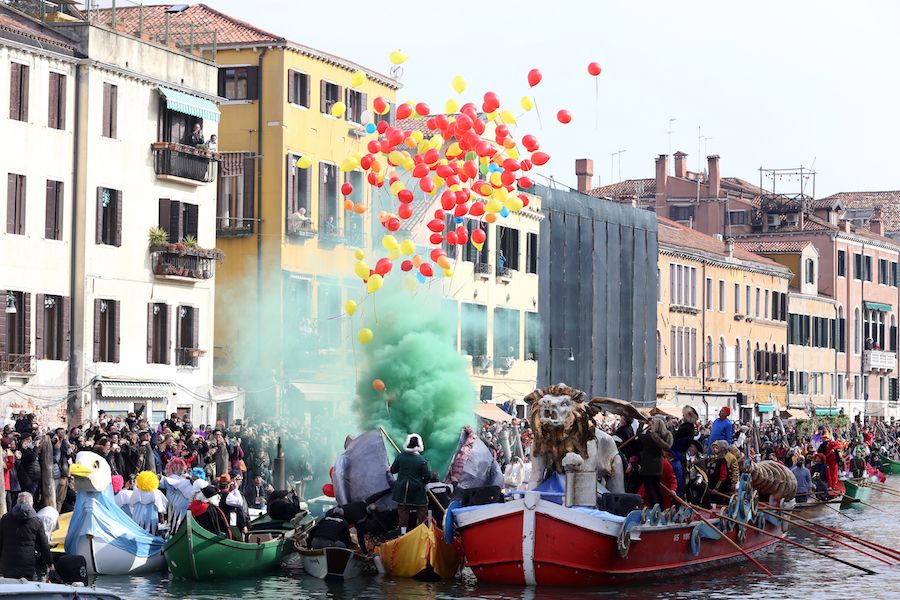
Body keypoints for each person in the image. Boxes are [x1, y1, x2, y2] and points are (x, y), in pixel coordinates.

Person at [0, 492, 53, 581]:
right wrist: (50, 563)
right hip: (27, 564)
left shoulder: (5, 518)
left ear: (17, 503)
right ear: (31, 504)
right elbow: (44, 545)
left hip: (7, 564)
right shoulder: (36, 521)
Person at [390, 433, 431, 533]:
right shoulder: (421, 460)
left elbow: (393, 470)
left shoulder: (400, 457)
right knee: (422, 509)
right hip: (417, 490)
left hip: (402, 490)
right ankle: (420, 531)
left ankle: (403, 533)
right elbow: (427, 476)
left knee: (403, 511)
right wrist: (423, 482)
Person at [637, 416, 673, 508]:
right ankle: (661, 507)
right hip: (658, 467)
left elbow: (639, 435)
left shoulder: (649, 438)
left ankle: (654, 507)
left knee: (649, 489)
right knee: (657, 489)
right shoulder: (663, 438)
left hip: (647, 466)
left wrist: (641, 424)